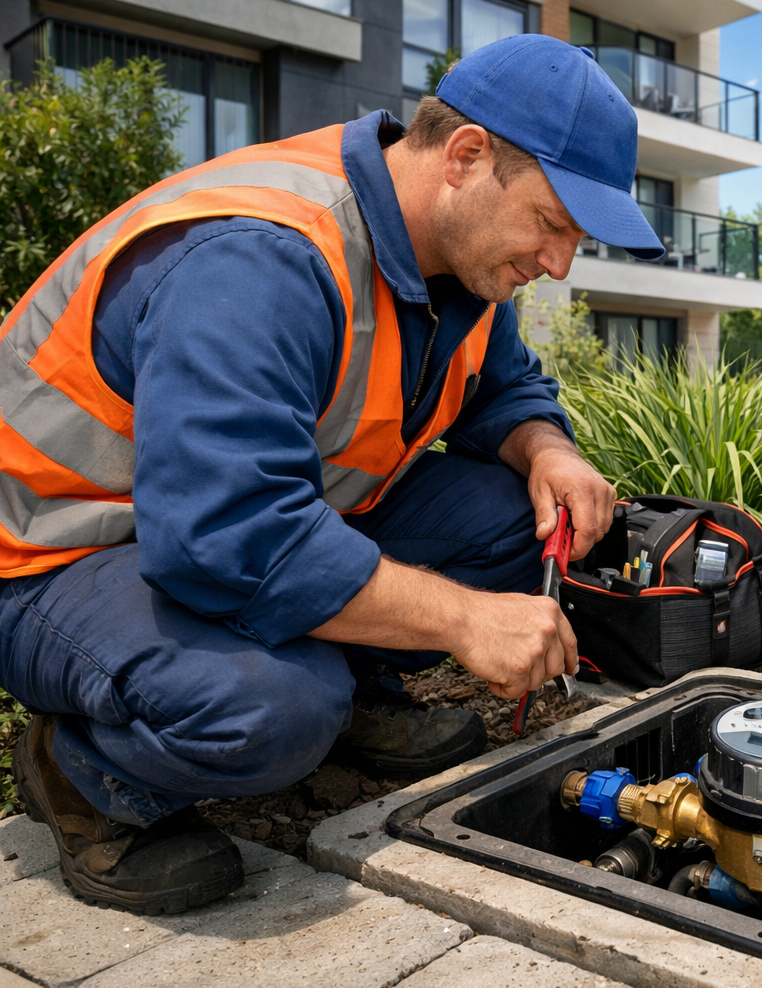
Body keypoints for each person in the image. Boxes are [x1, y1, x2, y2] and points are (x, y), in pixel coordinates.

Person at [0, 35, 660, 915]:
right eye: (552, 223)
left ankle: (351, 694)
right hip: (54, 556)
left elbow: (503, 387)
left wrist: (550, 450)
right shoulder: (261, 259)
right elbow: (228, 539)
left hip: (229, 522)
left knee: (520, 518)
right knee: (272, 706)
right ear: (466, 157)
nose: (559, 262)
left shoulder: (458, 260)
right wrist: (463, 618)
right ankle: (82, 775)